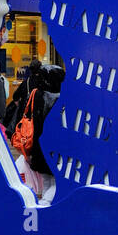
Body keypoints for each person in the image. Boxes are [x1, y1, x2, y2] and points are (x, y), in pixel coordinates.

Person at [26, 63, 65, 204]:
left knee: (46, 179)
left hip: (38, 144)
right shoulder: (63, 97)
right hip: (58, 145)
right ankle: (47, 205)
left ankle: (44, 204)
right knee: (57, 180)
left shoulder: (36, 94)